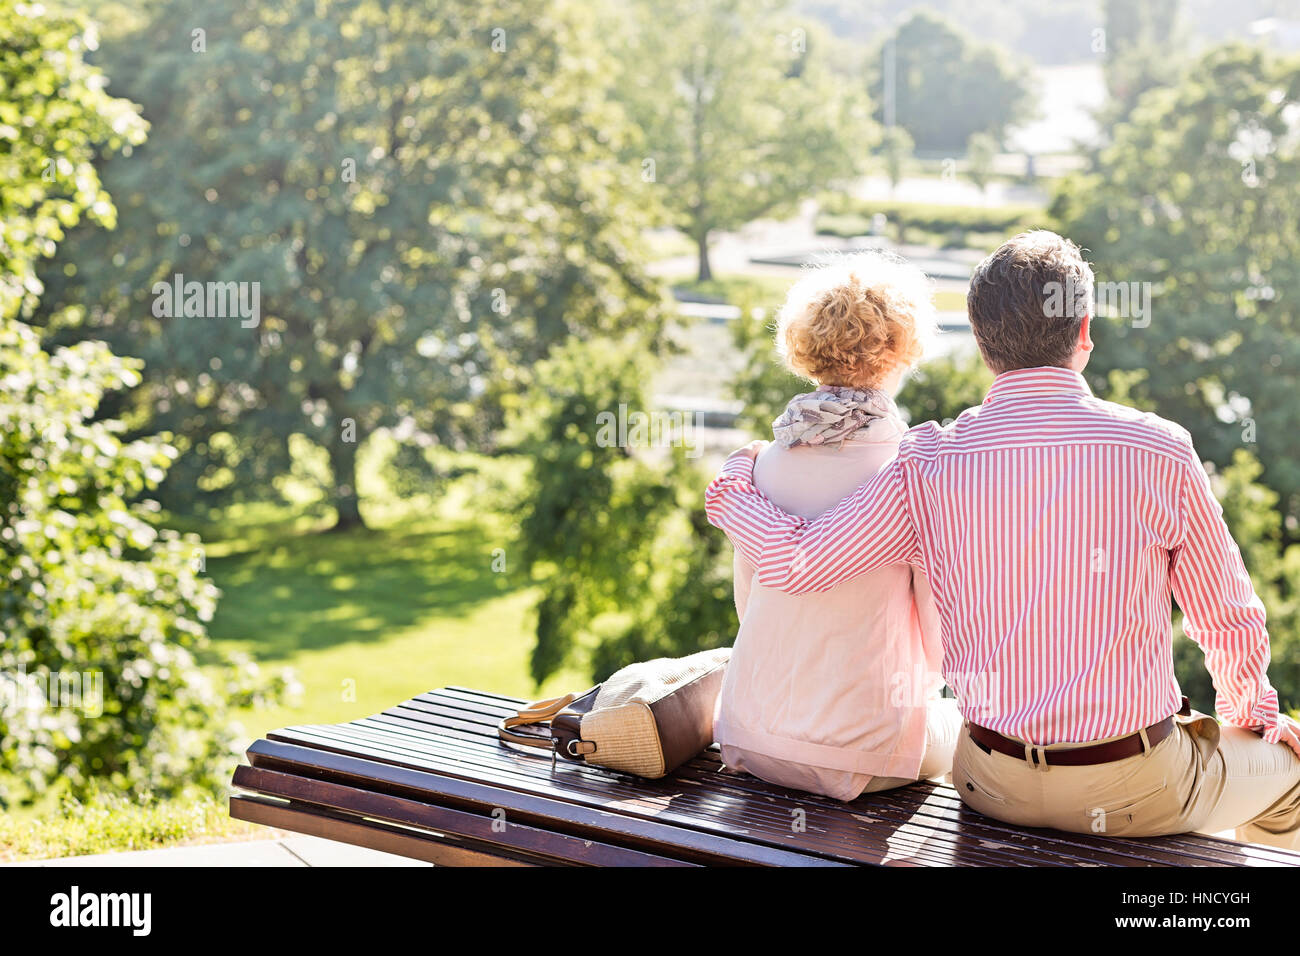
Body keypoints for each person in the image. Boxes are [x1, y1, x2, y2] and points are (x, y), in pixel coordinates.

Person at [705, 230, 1300, 847]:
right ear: (1084, 330)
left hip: (990, 784)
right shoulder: (1157, 449)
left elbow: (798, 562)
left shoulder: (929, 459)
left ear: (982, 345)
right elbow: (1226, 617)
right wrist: (1250, 713)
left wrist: (730, 488)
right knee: (1288, 764)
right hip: (1133, 784)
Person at [716, 252, 960, 802]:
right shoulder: (911, 472)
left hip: (750, 737)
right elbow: (940, 643)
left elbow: (748, 602)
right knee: (972, 731)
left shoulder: (759, 464)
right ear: (901, 348)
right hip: (866, 752)